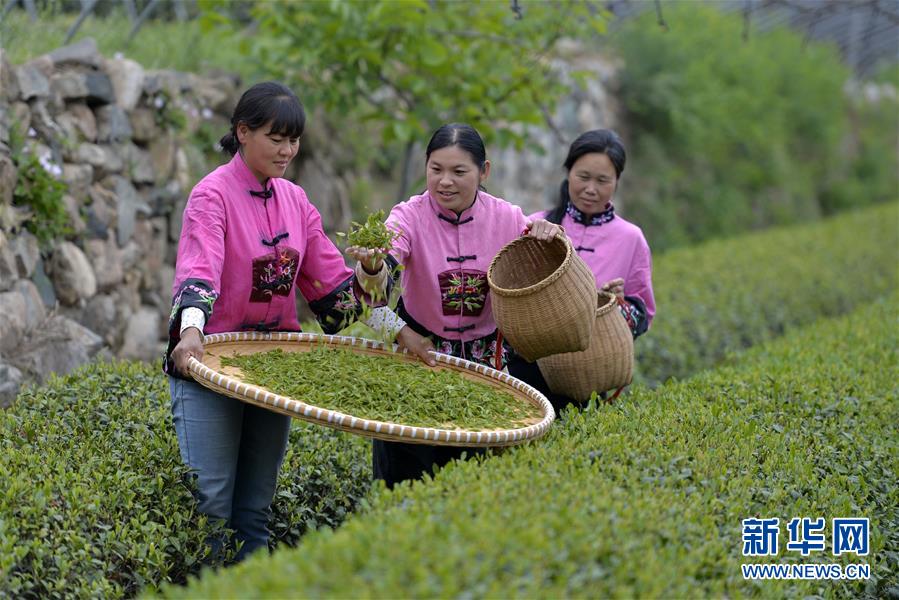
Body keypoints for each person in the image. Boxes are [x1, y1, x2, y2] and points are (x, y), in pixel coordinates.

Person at [165, 81, 429, 561]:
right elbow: (198, 272)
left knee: (254, 513)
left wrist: (380, 289)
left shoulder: (296, 200)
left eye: (294, 140)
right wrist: (189, 333)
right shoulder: (212, 196)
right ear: (243, 133)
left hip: (274, 371)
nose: (287, 150)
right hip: (211, 363)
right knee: (210, 509)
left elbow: (336, 297)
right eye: (275, 138)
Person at [371, 123, 563, 489]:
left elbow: (550, 263)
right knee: (407, 481)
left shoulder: (507, 217)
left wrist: (551, 236)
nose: (445, 182)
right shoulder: (406, 217)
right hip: (418, 361)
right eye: (436, 170)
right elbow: (365, 298)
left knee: (476, 483)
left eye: (459, 172)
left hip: (486, 371)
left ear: (483, 171)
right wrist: (399, 330)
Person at [508, 128, 656, 415]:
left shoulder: (631, 238)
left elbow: (642, 314)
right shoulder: (537, 225)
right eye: (583, 177)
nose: (591, 189)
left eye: (603, 181)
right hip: (528, 371)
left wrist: (618, 304)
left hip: (588, 374)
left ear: (617, 182)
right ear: (568, 172)